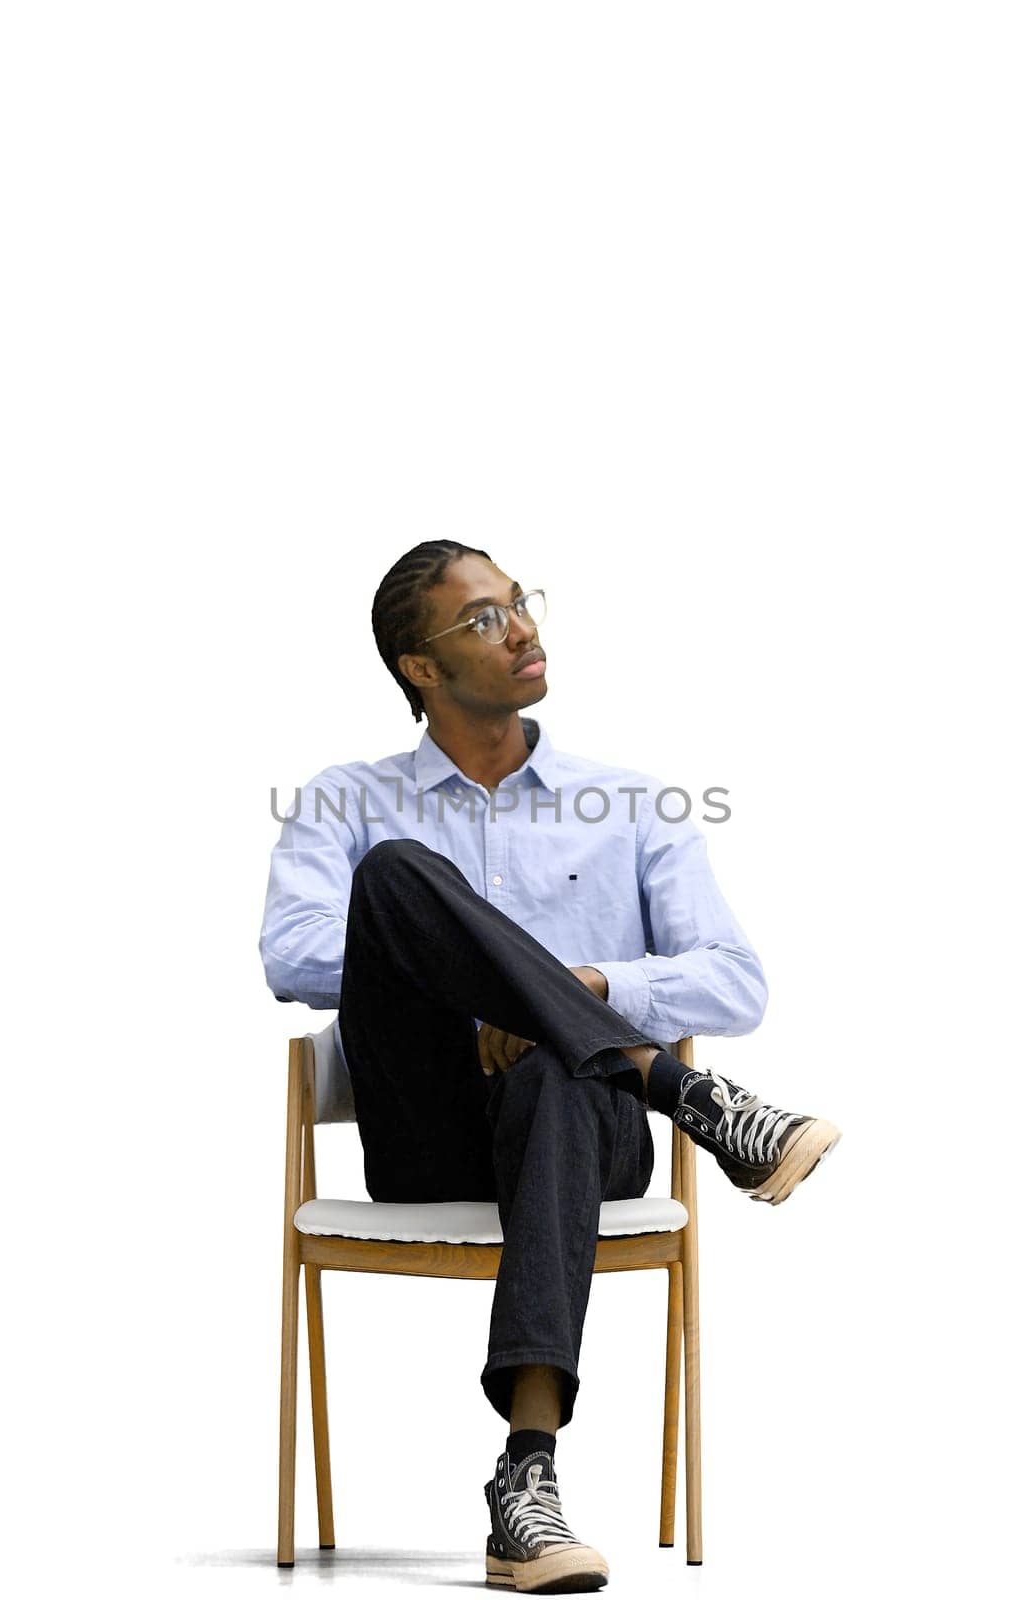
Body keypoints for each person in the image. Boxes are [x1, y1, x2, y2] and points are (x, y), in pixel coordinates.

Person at [259, 539, 840, 1594]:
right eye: (481, 618)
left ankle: (524, 1484)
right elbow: (292, 958)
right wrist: (479, 985)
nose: (520, 627)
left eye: (516, 602)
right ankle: (694, 1101)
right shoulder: (346, 797)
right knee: (394, 875)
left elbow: (734, 982)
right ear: (418, 668)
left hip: (583, 1124)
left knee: (560, 1073)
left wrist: (580, 992)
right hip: (426, 1123)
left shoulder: (628, 801)